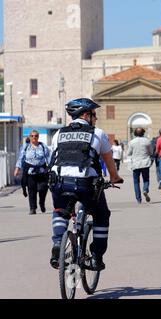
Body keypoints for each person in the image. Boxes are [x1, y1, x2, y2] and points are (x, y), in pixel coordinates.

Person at [48, 98, 123, 271]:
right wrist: (114, 178)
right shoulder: (97, 133)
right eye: (94, 114)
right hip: (85, 184)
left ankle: (58, 243)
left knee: (60, 211)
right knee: (101, 214)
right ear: (85, 115)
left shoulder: (58, 134)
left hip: (59, 182)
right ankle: (96, 257)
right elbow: (109, 162)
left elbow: (53, 159)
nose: (95, 119)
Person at [14, 131, 51, 215]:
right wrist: (17, 168)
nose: (34, 137)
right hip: (30, 172)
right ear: (29, 137)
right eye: (32, 136)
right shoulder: (26, 147)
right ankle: (32, 208)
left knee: (43, 188)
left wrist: (51, 169)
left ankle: (42, 203)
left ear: (38, 137)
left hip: (41, 171)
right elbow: (21, 158)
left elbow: (48, 158)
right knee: (31, 190)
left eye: (36, 136)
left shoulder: (43, 146)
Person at [127, 127, 152, 204]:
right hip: (145, 163)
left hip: (135, 164)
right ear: (143, 133)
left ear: (135, 133)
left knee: (136, 182)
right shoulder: (147, 141)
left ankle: (138, 199)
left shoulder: (131, 142)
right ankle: (145, 189)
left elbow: (129, 153)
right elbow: (150, 152)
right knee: (146, 179)